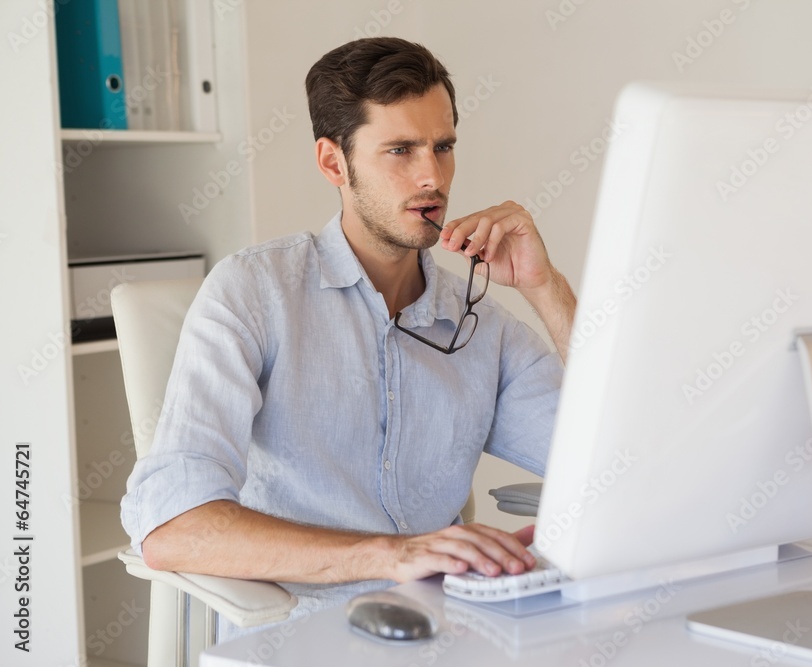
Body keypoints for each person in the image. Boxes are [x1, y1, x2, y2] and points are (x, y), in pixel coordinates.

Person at [120, 37, 576, 635]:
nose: (432, 176)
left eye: (442, 147)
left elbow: (625, 456)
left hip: (450, 633)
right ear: (334, 163)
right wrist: (391, 555)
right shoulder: (253, 293)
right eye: (400, 150)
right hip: (298, 636)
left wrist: (545, 286)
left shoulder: (482, 327)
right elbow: (172, 527)